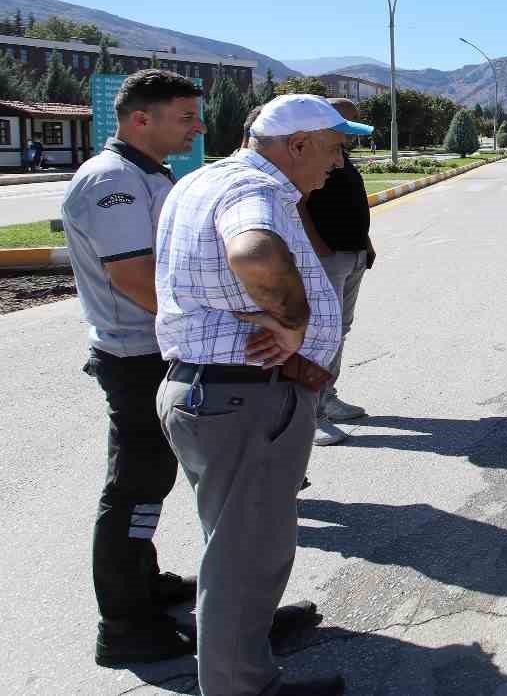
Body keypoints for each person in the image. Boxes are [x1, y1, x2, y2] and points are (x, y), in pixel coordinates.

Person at [154, 93, 370, 696]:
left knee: (235, 543)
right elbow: (252, 251)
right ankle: (242, 687)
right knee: (246, 554)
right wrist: (297, 319)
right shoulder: (256, 192)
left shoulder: (202, 180)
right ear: (296, 145)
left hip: (210, 394)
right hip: (244, 399)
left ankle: (242, 643)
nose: (337, 164)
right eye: (332, 149)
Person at [60, 69, 204, 666]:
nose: (197, 127)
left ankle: (144, 586)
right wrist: (197, 330)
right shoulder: (113, 181)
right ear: (139, 118)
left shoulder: (147, 172)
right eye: (185, 117)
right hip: (138, 354)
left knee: (149, 482)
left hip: (152, 349)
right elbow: (133, 276)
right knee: (135, 488)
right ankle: (124, 625)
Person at [298, 98, 376, 446]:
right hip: (327, 256)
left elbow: (352, 200)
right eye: (346, 123)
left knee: (338, 329)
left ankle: (327, 395)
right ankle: (310, 414)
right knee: (320, 333)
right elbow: (299, 204)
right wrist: (319, 247)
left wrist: (365, 241)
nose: (350, 133)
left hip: (352, 251)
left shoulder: (338, 154)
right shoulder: (308, 157)